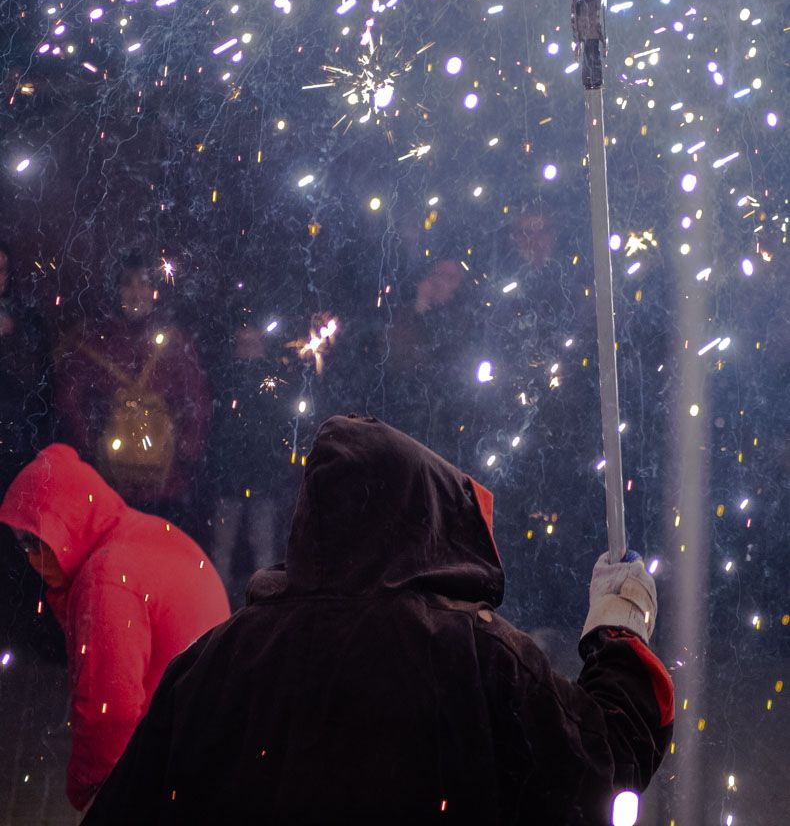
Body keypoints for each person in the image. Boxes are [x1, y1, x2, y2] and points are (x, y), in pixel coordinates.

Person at [84, 415, 673, 826]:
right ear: (430, 520)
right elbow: (604, 766)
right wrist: (618, 633)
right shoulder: (476, 656)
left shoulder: (214, 659)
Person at [0, 443, 230, 811]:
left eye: (34, 540)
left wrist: (87, 789)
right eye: (20, 544)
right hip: (207, 741)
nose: (29, 557)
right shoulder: (135, 531)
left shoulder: (105, 579)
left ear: (67, 520)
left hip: (173, 764)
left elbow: (110, 713)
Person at [54, 252, 210, 528]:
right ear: (116, 290)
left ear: (154, 291)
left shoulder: (175, 341)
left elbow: (196, 399)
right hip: (110, 480)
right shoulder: (95, 339)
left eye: (143, 283)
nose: (136, 292)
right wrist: (92, 447)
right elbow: (70, 398)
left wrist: (184, 450)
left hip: (165, 482)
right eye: (128, 283)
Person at [208, 306, 302, 604]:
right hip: (236, 472)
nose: (247, 338)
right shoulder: (228, 375)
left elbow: (277, 425)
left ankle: (262, 609)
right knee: (228, 544)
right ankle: (221, 608)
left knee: (260, 544)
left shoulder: (266, 375)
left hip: (259, 474)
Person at [0, 240, 52, 493]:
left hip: (16, 441)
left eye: (0, 270)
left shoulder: (26, 319)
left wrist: (12, 338)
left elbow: (38, 380)